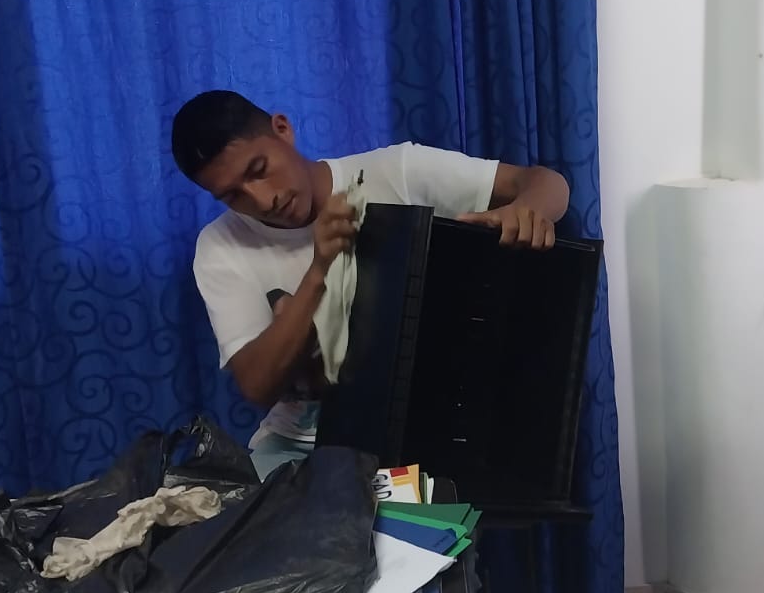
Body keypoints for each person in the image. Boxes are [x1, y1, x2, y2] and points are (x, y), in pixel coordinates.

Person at [170, 89, 569, 459]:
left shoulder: (398, 172)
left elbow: (546, 183)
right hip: (300, 447)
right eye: (232, 195)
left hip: (425, 431)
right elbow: (258, 386)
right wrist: (320, 271)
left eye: (259, 169)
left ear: (282, 129)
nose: (262, 199)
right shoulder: (221, 246)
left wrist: (525, 212)